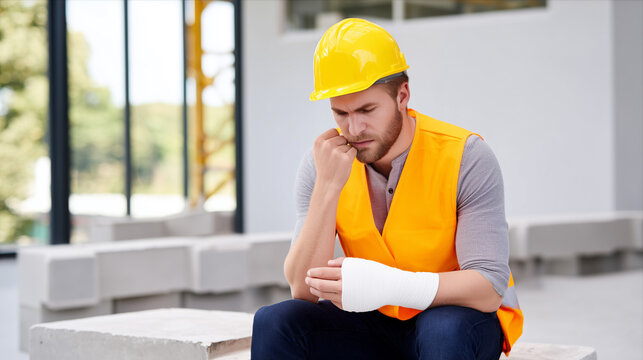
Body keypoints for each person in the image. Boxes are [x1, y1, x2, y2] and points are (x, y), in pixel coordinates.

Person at [251, 18, 523, 360]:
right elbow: (302, 290)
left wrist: (391, 286)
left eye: (367, 110)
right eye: (340, 113)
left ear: (402, 96)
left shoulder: (466, 156)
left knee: (443, 329)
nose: (354, 128)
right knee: (276, 321)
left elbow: (489, 287)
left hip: (458, 320)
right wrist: (327, 187)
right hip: (374, 323)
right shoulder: (324, 163)